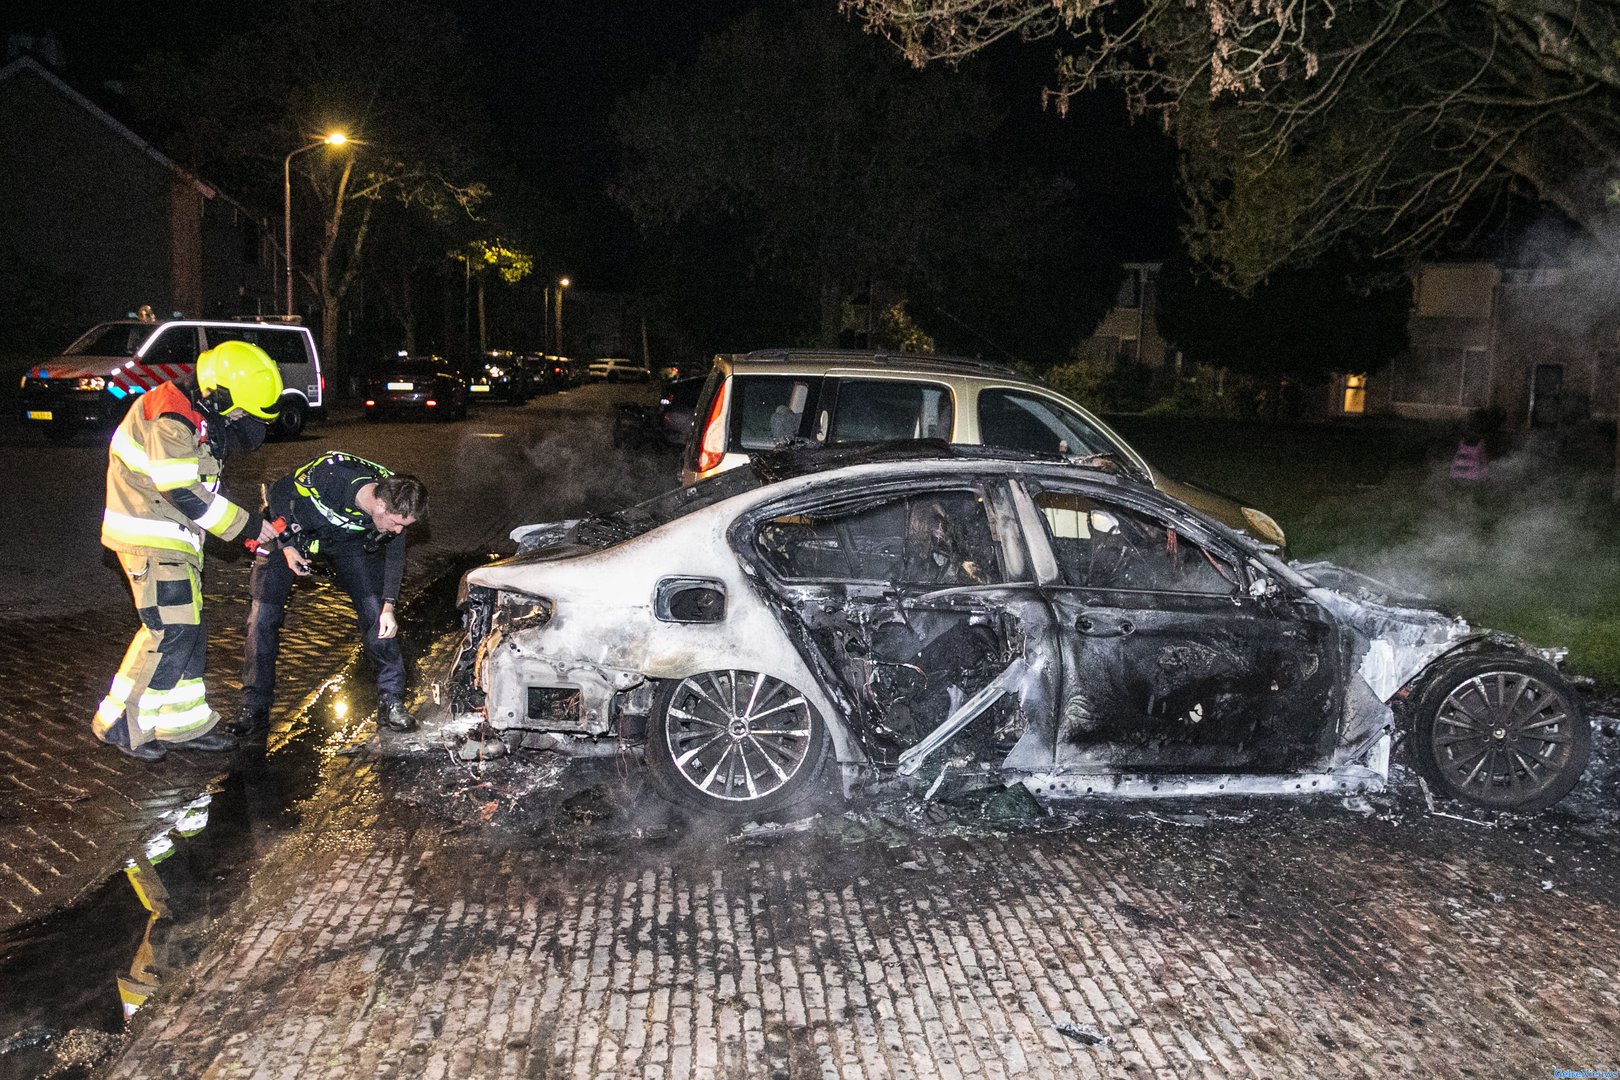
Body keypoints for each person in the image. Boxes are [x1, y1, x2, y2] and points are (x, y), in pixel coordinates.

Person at [95, 340, 284, 761]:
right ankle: (120, 725)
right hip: (150, 538)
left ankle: (182, 722)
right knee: (172, 631)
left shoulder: (195, 413)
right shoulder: (172, 417)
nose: (240, 421)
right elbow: (181, 489)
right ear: (220, 393)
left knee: (191, 629)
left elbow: (201, 490)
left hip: (173, 540)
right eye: (240, 411)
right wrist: (248, 527)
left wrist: (247, 531)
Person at [236, 453, 428, 737]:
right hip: (292, 532)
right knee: (262, 617)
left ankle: (391, 701)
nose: (398, 531)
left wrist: (389, 604)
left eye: (404, 527)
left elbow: (396, 554)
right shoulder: (331, 476)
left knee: (377, 618)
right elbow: (278, 491)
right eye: (396, 523)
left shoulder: (396, 495)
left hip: (347, 544)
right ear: (379, 504)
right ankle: (254, 707)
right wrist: (287, 544)